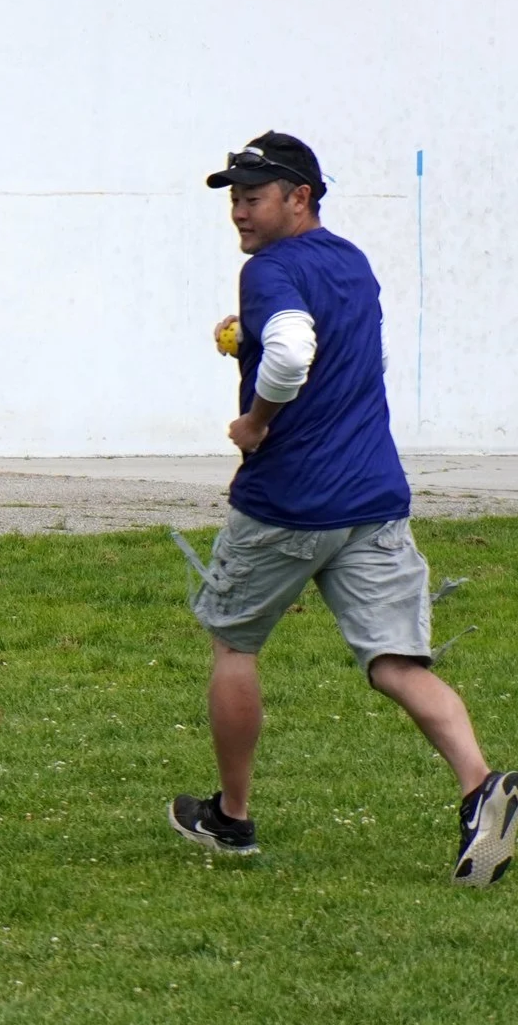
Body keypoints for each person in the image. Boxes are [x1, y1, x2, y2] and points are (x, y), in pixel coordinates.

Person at [168, 131, 516, 887]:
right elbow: (325, 350)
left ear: (301, 198)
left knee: (234, 645)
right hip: (374, 499)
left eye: (253, 196)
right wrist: (253, 349)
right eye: (233, 196)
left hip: (288, 504)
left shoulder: (268, 271)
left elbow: (293, 350)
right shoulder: (352, 261)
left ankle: (231, 817)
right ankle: (482, 786)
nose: (239, 211)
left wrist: (256, 419)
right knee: (396, 662)